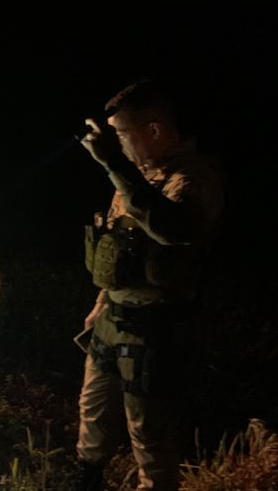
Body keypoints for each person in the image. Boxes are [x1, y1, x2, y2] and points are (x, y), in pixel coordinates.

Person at [71, 79, 225, 491]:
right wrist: (101, 302)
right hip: (113, 319)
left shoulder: (193, 179)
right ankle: (87, 477)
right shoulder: (139, 175)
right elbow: (122, 246)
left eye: (122, 134)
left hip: (157, 330)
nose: (116, 144)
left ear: (154, 130)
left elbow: (172, 230)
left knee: (150, 435)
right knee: (93, 413)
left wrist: (114, 165)